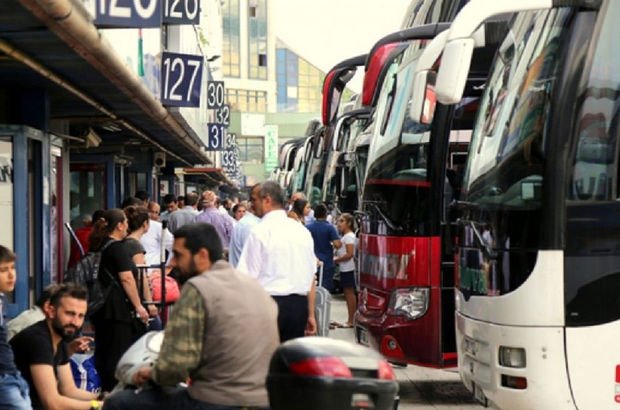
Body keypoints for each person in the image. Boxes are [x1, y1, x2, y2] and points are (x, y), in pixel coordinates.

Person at [103, 223, 279, 410]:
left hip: (216, 400)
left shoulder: (198, 288)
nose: (175, 263)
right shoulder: (254, 287)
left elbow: (176, 367)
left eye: (179, 256)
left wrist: (150, 373)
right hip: (263, 399)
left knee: (118, 402)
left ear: (202, 255)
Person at [237, 182, 317, 342]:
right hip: (298, 308)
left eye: (254, 200)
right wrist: (310, 314)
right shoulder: (302, 231)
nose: (252, 206)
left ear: (267, 200)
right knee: (289, 361)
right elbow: (311, 278)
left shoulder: (259, 231)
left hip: (267, 306)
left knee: (266, 361)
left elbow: (246, 279)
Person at [11, 283, 103, 410]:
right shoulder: (38, 340)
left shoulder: (60, 339)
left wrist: (103, 398)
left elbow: (68, 390)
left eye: (81, 316)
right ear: (50, 310)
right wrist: (99, 406)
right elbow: (52, 403)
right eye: (70, 313)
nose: (75, 322)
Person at [89, 209, 150, 392]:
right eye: (125, 223)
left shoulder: (101, 244)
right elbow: (127, 278)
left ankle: (105, 390)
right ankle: (114, 391)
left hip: (101, 307)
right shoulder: (117, 248)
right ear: (119, 226)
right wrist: (139, 306)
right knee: (117, 353)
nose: (127, 227)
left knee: (104, 348)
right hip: (116, 309)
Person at [0, 245, 32, 410]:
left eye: (12, 268)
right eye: (3, 270)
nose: (11, 275)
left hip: (11, 372)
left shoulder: (1, 300)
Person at [123, 206, 160, 325]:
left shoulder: (125, 242)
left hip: (129, 300)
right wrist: (150, 303)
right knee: (156, 328)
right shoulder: (135, 246)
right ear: (145, 224)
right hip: (139, 300)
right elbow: (141, 276)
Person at [306, 204, 342, 293]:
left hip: (311, 261)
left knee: (310, 287)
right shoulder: (330, 228)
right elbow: (337, 244)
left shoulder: (308, 227)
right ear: (326, 214)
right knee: (324, 290)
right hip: (326, 262)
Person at [334, 213, 357, 328]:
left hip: (348, 268)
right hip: (345, 268)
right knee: (348, 293)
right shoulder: (346, 236)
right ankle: (350, 319)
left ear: (349, 223)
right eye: (339, 221)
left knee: (349, 293)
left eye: (342, 221)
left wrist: (336, 259)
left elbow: (350, 254)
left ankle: (351, 320)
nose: (339, 224)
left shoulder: (349, 236)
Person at [228, 186, 261, 267]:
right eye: (239, 211)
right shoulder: (250, 225)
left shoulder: (246, 223)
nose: (241, 214)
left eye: (243, 211)